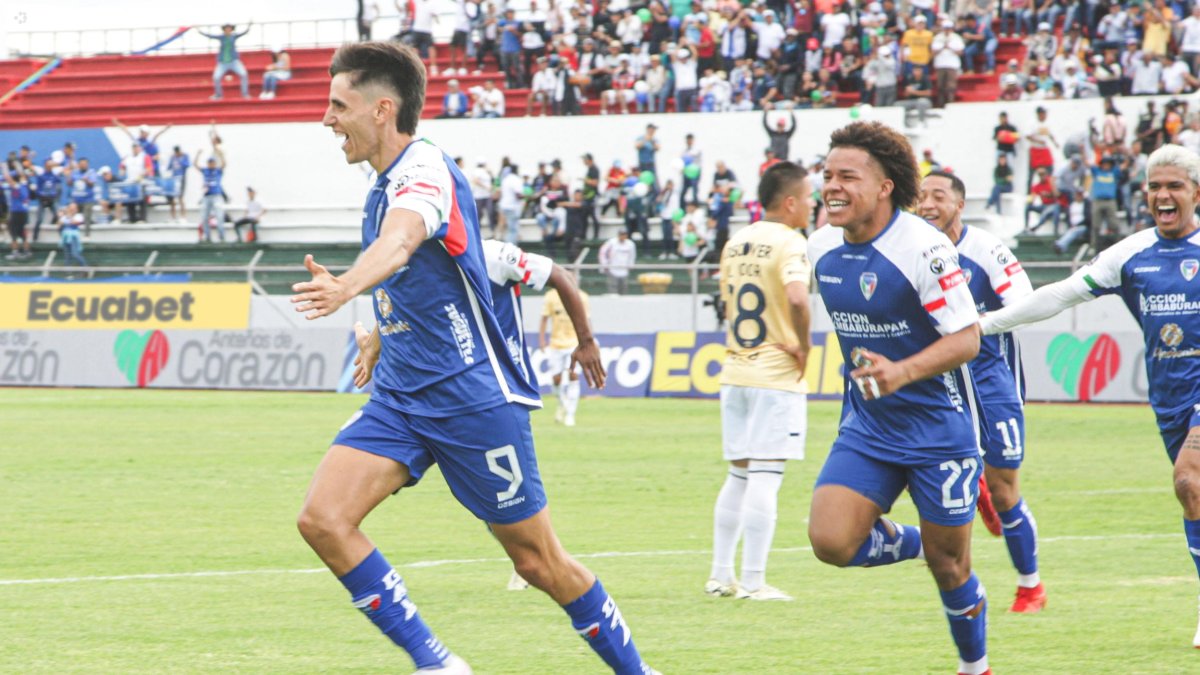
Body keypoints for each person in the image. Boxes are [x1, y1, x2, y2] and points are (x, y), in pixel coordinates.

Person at [291, 41, 655, 675]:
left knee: (538, 562)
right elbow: (415, 270)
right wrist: (379, 326)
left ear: (382, 110)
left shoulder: (423, 172)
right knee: (323, 520)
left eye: (337, 105)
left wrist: (348, 285)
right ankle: (436, 663)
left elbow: (404, 239)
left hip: (471, 401)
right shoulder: (384, 184)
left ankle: (636, 671)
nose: (326, 119)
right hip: (403, 399)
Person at [979, 143, 1200, 647]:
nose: (1163, 196)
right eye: (1155, 187)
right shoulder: (1131, 254)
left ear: (1196, 194)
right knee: (1197, 494)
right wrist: (985, 326)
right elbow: (1058, 294)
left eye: (1175, 187)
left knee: (1189, 481)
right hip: (1169, 397)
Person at [806, 121, 988, 675]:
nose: (832, 187)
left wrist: (902, 371)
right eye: (827, 175)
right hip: (869, 428)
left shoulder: (924, 248)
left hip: (940, 430)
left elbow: (968, 339)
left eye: (847, 177)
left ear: (885, 187)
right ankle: (914, 540)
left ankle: (975, 666)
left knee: (951, 568)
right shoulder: (821, 248)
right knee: (831, 541)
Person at [919, 169, 1046, 614]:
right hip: (942, 389)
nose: (928, 204)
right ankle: (973, 494)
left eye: (938, 196)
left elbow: (1025, 303)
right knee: (937, 483)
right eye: (921, 197)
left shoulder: (985, 249)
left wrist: (976, 327)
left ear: (959, 205)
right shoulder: (915, 251)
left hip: (992, 385)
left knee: (1006, 490)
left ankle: (1030, 587)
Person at [707, 161, 812, 602]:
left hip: (736, 369)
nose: (812, 205)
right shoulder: (791, 242)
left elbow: (726, 303)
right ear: (789, 202)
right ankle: (753, 581)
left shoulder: (736, 242)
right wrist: (803, 345)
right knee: (767, 476)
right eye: (808, 198)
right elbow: (796, 297)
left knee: (739, 474)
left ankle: (718, 575)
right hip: (774, 375)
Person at [539, 279, 592, 427]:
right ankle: (563, 403)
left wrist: (589, 342)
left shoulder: (581, 296)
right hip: (556, 344)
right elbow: (544, 319)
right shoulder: (551, 296)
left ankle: (570, 415)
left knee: (573, 376)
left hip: (574, 343)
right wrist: (542, 339)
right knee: (555, 379)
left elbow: (587, 321)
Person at [197, 22, 253, 100]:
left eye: (229, 28)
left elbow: (244, 33)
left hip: (234, 61)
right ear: (224, 30)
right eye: (226, 28)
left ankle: (245, 94)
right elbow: (210, 36)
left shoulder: (234, 36)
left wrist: (249, 26)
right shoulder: (221, 37)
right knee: (216, 77)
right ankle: (218, 95)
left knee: (244, 74)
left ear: (231, 30)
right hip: (222, 62)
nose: (228, 30)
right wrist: (199, 31)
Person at [194, 145, 227, 243]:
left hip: (216, 196)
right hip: (206, 197)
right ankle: (208, 237)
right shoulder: (205, 171)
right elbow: (195, 165)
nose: (211, 164)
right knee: (204, 217)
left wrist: (221, 155)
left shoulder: (218, 171)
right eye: (209, 162)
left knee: (219, 217)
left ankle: (221, 237)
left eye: (212, 163)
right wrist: (198, 154)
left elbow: (224, 164)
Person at [598, 228, 636, 294]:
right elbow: (602, 253)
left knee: (623, 288)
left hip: (624, 269)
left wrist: (630, 265)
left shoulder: (630, 244)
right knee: (613, 287)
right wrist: (604, 264)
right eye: (621, 234)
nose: (623, 236)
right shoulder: (611, 242)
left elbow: (632, 256)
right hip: (612, 269)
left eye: (624, 235)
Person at [4, 170, 31, 260]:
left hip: (16, 212)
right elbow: (22, 176)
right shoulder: (24, 184)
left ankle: (15, 252)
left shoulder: (15, 186)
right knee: (23, 233)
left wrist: (3, 167)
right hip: (24, 212)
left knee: (13, 233)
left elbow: (8, 179)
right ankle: (27, 252)